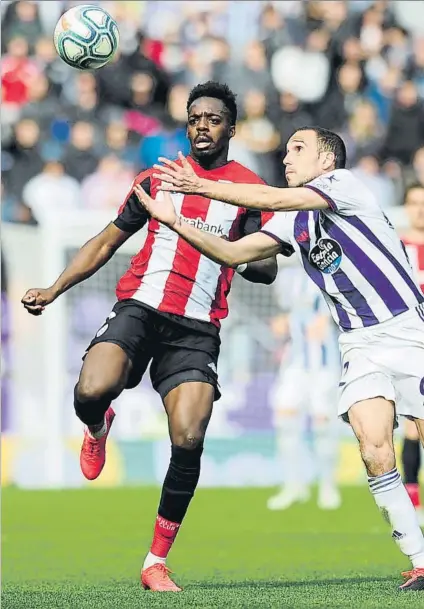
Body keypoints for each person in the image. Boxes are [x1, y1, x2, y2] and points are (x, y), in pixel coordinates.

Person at [135, 126, 424, 591]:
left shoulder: (342, 185)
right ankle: (419, 559)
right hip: (359, 343)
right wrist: (176, 221)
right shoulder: (293, 219)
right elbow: (232, 252)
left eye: (298, 148)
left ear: (327, 160)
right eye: (286, 149)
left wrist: (200, 185)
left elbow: (274, 199)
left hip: (409, 330)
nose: (286, 156)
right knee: (374, 446)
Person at [21, 82, 280, 593]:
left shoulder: (247, 190)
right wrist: (54, 289)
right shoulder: (156, 180)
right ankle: (98, 427)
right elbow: (105, 240)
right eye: (194, 117)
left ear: (232, 128)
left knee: (188, 437)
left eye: (213, 118)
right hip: (140, 308)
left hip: (197, 328)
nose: (202, 125)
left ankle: (155, 562)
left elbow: (267, 268)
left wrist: (247, 254)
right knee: (91, 391)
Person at [267, 266, 341, 512]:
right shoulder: (289, 277)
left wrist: (327, 318)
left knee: (322, 424)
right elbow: (289, 314)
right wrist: (283, 323)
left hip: (323, 363)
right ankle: (294, 485)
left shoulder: (332, 272)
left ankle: (328, 486)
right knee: (285, 419)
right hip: (295, 362)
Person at [401, 183, 424, 526]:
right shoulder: (395, 246)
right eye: (414, 203)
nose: (420, 209)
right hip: (406, 341)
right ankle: (411, 496)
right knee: (410, 421)